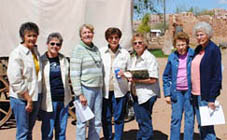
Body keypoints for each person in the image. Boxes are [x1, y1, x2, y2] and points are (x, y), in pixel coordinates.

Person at [7, 22, 42, 140]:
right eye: (29, 35)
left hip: (34, 95)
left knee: (29, 131)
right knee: (23, 132)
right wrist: (28, 99)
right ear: (23, 37)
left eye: (34, 35)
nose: (32, 38)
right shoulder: (17, 54)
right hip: (21, 98)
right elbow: (15, 80)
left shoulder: (35, 52)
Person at [70, 24, 104, 140]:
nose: (87, 34)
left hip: (97, 88)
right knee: (83, 121)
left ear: (93, 34)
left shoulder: (95, 49)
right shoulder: (78, 50)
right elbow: (74, 73)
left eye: (89, 32)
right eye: (84, 33)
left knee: (97, 120)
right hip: (85, 89)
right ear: (81, 36)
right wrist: (79, 94)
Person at [191, 21, 222, 140]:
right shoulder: (198, 49)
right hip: (195, 93)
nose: (199, 38)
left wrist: (212, 98)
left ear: (208, 35)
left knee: (207, 125)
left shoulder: (213, 50)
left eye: (202, 34)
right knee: (201, 124)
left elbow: (216, 76)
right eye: (197, 35)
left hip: (206, 94)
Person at [128, 33, 160, 140]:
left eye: (140, 43)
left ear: (144, 44)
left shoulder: (149, 58)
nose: (137, 45)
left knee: (145, 121)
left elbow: (153, 79)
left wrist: (135, 79)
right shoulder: (134, 58)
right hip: (137, 94)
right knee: (141, 120)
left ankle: (146, 138)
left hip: (147, 94)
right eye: (135, 43)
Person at [162, 32, 194, 140]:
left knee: (189, 119)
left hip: (190, 92)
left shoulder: (193, 55)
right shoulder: (172, 57)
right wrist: (167, 93)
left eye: (183, 44)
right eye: (178, 45)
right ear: (175, 45)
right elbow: (166, 76)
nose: (181, 47)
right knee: (176, 118)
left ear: (187, 44)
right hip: (177, 92)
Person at [100, 27, 130, 140]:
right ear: (107, 39)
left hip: (120, 91)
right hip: (105, 91)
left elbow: (130, 71)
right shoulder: (101, 52)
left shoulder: (125, 53)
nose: (113, 40)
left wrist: (125, 74)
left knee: (118, 117)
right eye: (111, 38)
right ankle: (107, 137)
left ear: (119, 39)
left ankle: (118, 138)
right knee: (106, 117)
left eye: (116, 38)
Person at [40, 32, 72, 140]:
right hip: (48, 100)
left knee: (61, 131)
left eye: (58, 44)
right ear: (47, 44)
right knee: (47, 132)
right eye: (52, 44)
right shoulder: (41, 61)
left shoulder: (64, 60)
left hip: (63, 100)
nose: (55, 46)